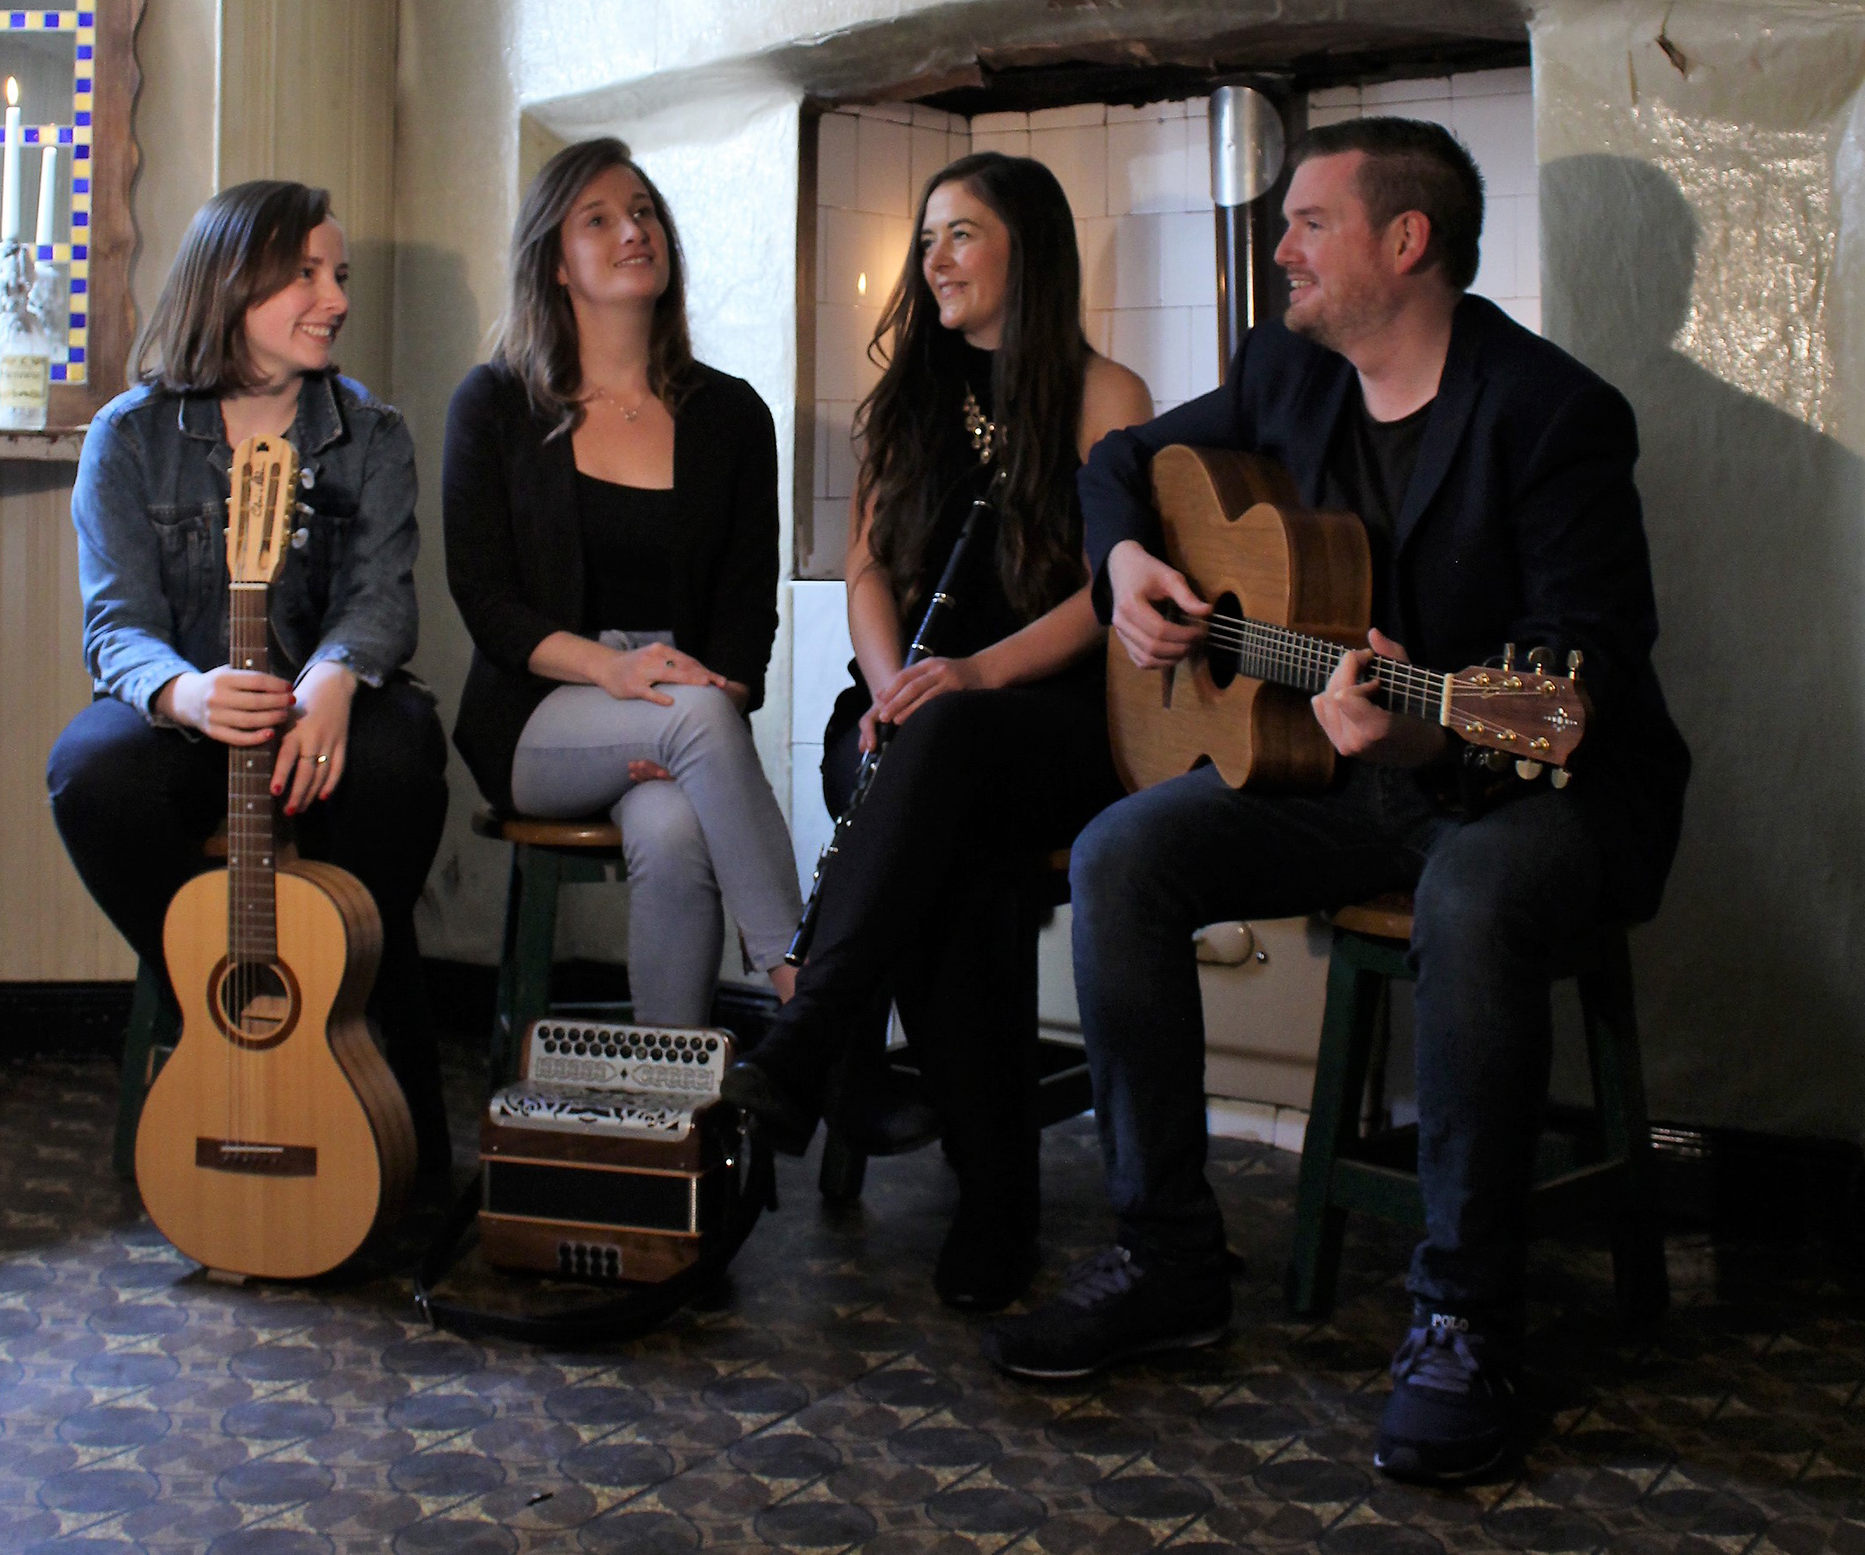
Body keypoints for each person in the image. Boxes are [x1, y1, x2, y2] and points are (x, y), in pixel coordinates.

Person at [982, 118, 1691, 1485]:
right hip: (1349, 776)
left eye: (1310, 221)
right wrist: (1127, 565)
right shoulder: (1286, 375)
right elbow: (1119, 466)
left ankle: (1462, 1324)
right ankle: (1169, 1257)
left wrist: (1431, 740)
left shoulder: (1556, 418)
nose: (1281, 247)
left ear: (1405, 242)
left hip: (1537, 789)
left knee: (1473, 897)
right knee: (1126, 855)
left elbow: (1582, 676)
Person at [723, 152, 1153, 1312]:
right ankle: (993, 1194)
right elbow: (867, 566)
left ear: (1030, 249)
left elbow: (1107, 594)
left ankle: (815, 1036)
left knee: (950, 765)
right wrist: (890, 683)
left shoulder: (1103, 395)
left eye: (959, 233)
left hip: (1050, 719)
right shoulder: (908, 396)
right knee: (949, 845)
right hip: (910, 712)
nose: (933, 259)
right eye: (926, 239)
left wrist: (968, 674)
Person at [48, 179, 452, 1182]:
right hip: (189, 719)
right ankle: (233, 1010)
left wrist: (334, 676)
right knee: (89, 772)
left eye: (339, 274)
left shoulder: (374, 435)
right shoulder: (128, 439)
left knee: (400, 763)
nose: (335, 297)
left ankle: (360, 1044)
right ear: (231, 286)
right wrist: (185, 693)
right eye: (305, 274)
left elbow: (380, 597)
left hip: (324, 712)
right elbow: (116, 626)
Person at [441, 138, 802, 1029]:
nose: (631, 230)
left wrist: (699, 701)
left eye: (642, 212)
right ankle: (807, 989)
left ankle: (662, 1111)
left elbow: (745, 611)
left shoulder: (733, 416)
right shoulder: (494, 404)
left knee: (676, 833)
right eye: (597, 219)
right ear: (555, 263)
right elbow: (485, 600)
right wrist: (622, 679)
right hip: (539, 709)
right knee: (694, 714)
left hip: (681, 708)